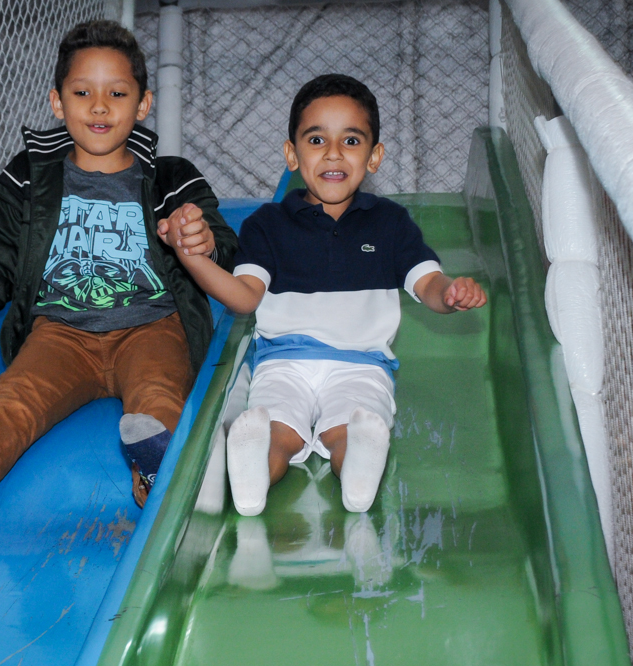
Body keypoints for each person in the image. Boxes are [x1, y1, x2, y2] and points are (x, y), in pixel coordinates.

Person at [0, 20, 237, 530]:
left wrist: (201, 240)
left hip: (152, 326)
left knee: (158, 397)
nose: (99, 106)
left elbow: (224, 245)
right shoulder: (29, 175)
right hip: (61, 333)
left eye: (117, 93)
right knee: (12, 403)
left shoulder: (170, 177)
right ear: (57, 102)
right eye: (83, 92)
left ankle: (157, 477)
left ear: (142, 105)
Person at [161, 74, 486, 516]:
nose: (334, 153)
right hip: (283, 361)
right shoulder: (267, 224)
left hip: (360, 363)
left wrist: (450, 292)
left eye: (351, 141)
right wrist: (192, 257)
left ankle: (357, 469)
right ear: (292, 154)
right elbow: (243, 298)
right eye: (317, 139)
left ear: (374, 157)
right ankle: (253, 476)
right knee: (276, 427)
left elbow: (426, 282)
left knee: (350, 429)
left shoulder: (390, 223)